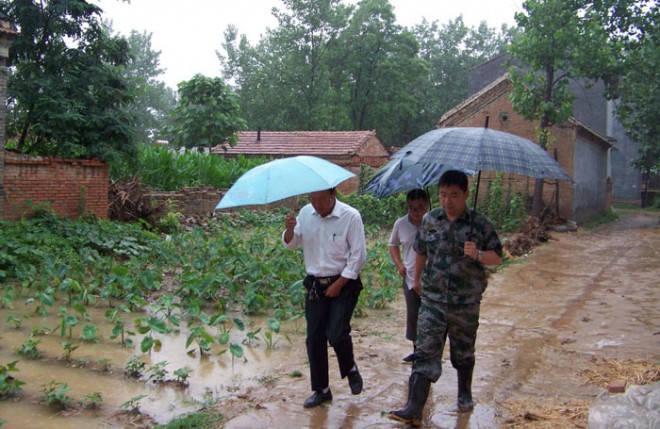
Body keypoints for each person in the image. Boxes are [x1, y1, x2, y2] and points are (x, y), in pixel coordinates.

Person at [388, 170, 503, 426]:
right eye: (442, 195)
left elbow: (498, 257)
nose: (447, 201)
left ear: (465, 194)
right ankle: (413, 408)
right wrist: (416, 280)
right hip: (433, 300)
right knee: (425, 351)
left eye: (453, 195)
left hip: (466, 302)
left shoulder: (480, 224)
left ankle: (464, 394)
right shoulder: (430, 220)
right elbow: (420, 251)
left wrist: (478, 255)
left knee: (462, 352)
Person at [283, 188, 367, 408]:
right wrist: (290, 230)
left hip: (345, 282)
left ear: (333, 195)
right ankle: (321, 390)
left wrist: (339, 284)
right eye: (312, 199)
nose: (316, 204)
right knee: (314, 338)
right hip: (315, 285)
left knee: (337, 333)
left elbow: (358, 257)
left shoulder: (350, 216)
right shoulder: (305, 214)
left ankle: (350, 369)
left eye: (320, 199)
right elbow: (292, 245)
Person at [388, 189, 430, 363]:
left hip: (433, 278)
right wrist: (399, 264)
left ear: (427, 205)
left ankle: (430, 352)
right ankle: (416, 350)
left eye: (420, 207)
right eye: (412, 208)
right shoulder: (400, 224)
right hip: (410, 277)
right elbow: (393, 244)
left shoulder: (434, 223)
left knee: (432, 317)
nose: (416, 211)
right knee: (413, 315)